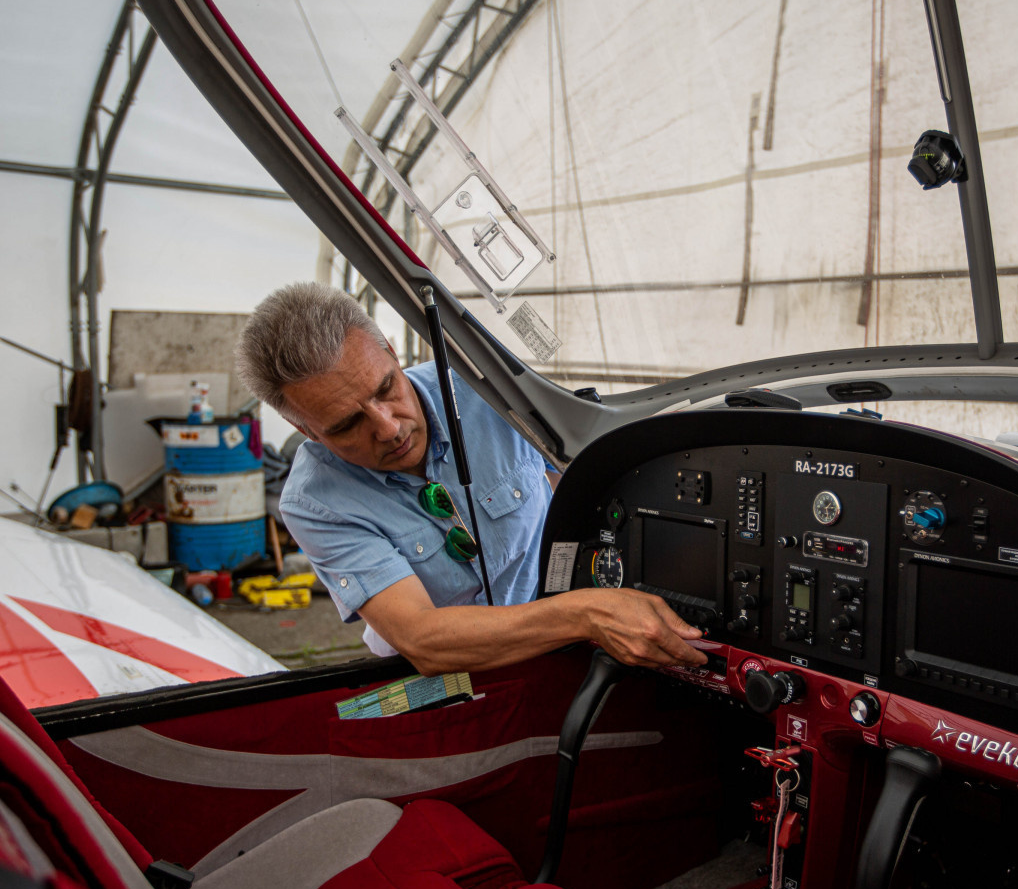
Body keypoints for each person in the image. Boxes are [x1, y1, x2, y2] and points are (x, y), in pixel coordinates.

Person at [234, 282, 708, 675]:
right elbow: (423, 640)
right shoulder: (314, 502)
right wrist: (587, 613)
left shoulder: (492, 393)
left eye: (386, 389)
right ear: (305, 431)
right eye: (344, 426)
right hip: (440, 682)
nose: (389, 428)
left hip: (557, 652)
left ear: (393, 353)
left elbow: (583, 485)